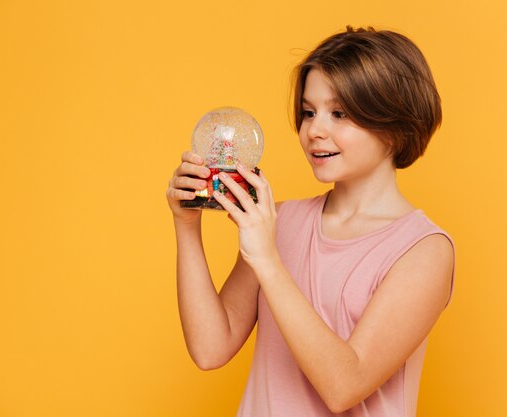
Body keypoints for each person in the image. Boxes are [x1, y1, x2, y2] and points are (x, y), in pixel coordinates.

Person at [166, 25, 455, 417]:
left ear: (394, 125)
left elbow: (344, 386)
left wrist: (267, 259)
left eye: (340, 113)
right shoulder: (280, 221)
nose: (314, 131)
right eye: (308, 112)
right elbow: (209, 348)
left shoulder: (424, 251)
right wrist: (187, 226)